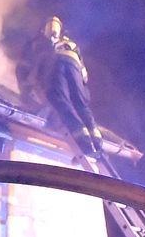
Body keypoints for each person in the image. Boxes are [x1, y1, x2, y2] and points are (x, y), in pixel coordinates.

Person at [15, 16, 104, 157]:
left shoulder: (36, 43)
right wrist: (83, 97)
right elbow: (84, 77)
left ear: (43, 30)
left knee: (60, 100)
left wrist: (24, 91)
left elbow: (22, 68)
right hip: (74, 66)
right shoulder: (72, 45)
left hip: (55, 63)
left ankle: (84, 143)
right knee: (80, 104)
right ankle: (97, 143)